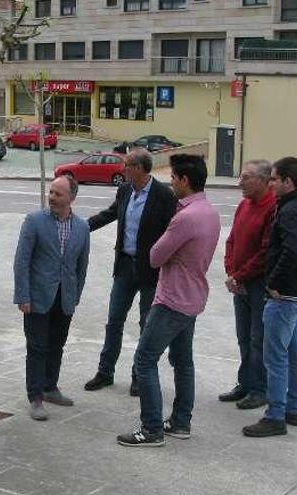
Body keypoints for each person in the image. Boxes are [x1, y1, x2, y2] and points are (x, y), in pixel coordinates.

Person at [116, 154, 220, 447]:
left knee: (145, 360)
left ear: (185, 180)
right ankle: (180, 421)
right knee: (183, 361)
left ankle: (151, 429)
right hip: (193, 297)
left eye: (173, 177)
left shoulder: (185, 217)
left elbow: (155, 256)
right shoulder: (209, 211)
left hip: (172, 299)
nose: (171, 182)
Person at [84, 149, 176, 396]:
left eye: (127, 165)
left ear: (139, 168)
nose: (123, 169)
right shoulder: (125, 190)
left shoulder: (163, 195)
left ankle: (139, 375)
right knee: (114, 321)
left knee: (146, 324)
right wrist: (82, 227)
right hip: (124, 266)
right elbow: (110, 214)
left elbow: (172, 232)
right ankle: (105, 372)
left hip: (150, 270)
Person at [243, 156, 297, 438]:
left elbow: (293, 251)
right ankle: (292, 409)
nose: (270, 183)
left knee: (275, 357)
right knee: (295, 352)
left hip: (285, 296)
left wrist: (272, 282)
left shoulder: (289, 210)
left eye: (274, 178)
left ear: (288, 181)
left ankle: (275, 416)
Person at [14, 175, 90, 421]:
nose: (52, 198)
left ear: (71, 198)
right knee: (37, 347)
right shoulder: (34, 221)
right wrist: (22, 295)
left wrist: (76, 295)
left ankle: (50, 387)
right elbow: (21, 261)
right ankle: (35, 397)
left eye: (58, 194)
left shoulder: (82, 227)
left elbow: (82, 266)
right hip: (37, 297)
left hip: (64, 298)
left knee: (57, 344)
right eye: (51, 193)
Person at [219, 159, 276, 410]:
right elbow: (232, 240)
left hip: (257, 284)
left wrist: (240, 275)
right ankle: (246, 382)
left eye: (247, 177)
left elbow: (265, 252)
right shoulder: (244, 205)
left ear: (264, 180)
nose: (240, 182)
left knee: (257, 338)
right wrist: (231, 272)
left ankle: (260, 388)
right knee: (243, 336)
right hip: (239, 283)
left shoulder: (272, 208)